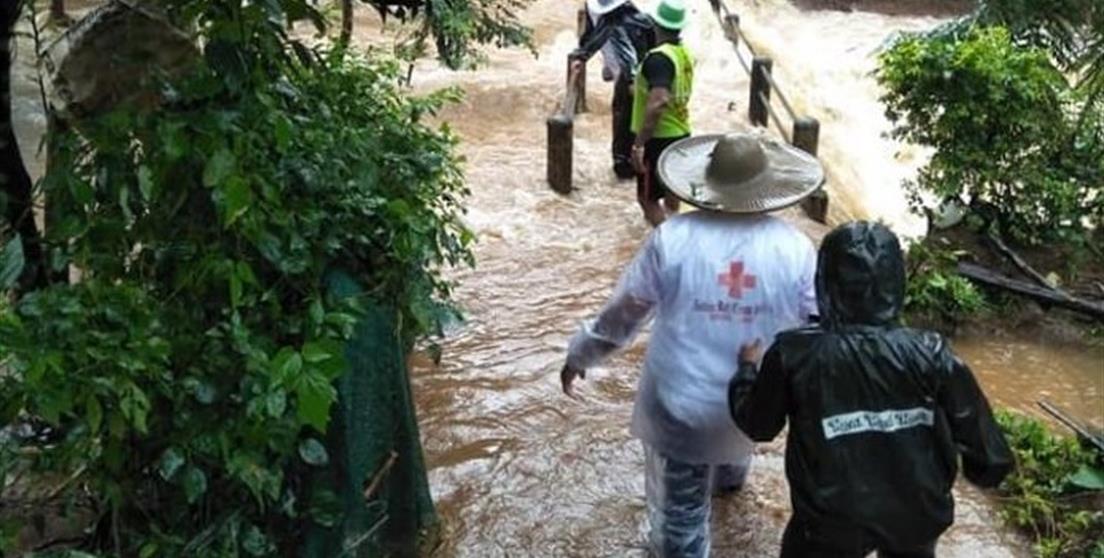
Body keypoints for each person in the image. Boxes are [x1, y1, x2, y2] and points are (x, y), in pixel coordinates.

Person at [561, 132, 826, 557]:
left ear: (706, 183)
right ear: (766, 187)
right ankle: (728, 488)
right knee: (731, 466)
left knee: (681, 523)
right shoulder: (795, 248)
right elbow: (818, 325)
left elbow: (625, 312)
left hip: (680, 404)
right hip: (754, 403)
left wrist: (581, 353)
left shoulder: (672, 237)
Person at [728, 221, 1014, 558]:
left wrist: (746, 371)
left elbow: (758, 426)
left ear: (826, 281)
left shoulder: (794, 354)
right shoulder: (932, 353)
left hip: (828, 521)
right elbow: (990, 458)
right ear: (896, 282)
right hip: (915, 515)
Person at [569, 0, 655, 179]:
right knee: (639, 119)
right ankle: (642, 163)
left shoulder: (611, 21)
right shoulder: (643, 18)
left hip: (628, 77)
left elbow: (595, 37)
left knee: (622, 119)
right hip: (646, 73)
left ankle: (623, 166)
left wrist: (581, 56)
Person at [631, 0, 693, 227]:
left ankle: (668, 243)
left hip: (658, 137)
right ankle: (675, 226)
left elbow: (658, 101)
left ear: (656, 24)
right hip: (681, 131)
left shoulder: (658, 58)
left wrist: (639, 144)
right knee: (672, 190)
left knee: (647, 198)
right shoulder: (684, 53)